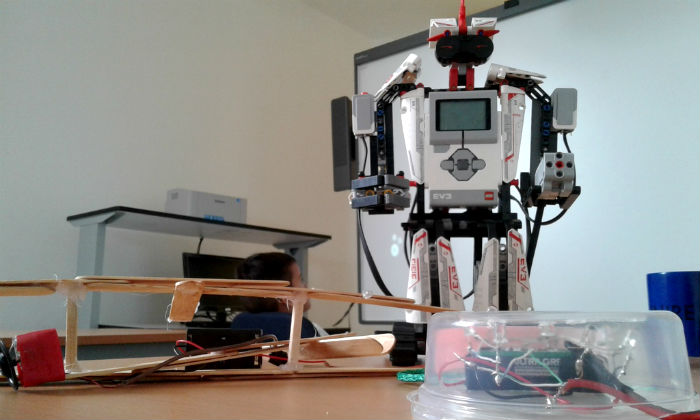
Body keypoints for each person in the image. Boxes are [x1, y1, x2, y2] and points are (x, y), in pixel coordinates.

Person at [231, 252, 326, 340]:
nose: (306, 286)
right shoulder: (307, 330)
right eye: (301, 279)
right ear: (285, 296)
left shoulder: (240, 323)